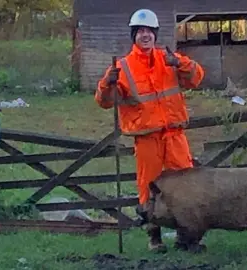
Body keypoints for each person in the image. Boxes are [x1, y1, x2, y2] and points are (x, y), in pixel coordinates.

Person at [94, 8, 205, 253]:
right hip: (147, 138)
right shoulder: (122, 67)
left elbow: (197, 78)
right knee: (148, 187)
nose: (145, 36)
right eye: (140, 32)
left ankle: (185, 235)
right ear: (134, 35)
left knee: (186, 186)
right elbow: (104, 101)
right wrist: (107, 83)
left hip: (175, 135)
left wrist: (180, 63)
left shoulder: (169, 58)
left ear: (155, 34)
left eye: (149, 32)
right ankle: (154, 237)